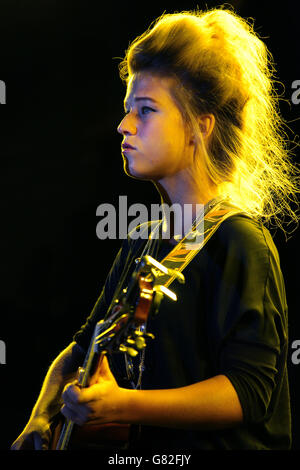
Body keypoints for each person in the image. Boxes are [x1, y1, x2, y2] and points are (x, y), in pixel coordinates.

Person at [11, 7, 299, 451]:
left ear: (199, 128)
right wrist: (39, 417)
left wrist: (123, 406)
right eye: (127, 110)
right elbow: (80, 347)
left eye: (145, 110)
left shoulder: (240, 242)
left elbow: (248, 393)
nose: (123, 126)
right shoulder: (142, 237)